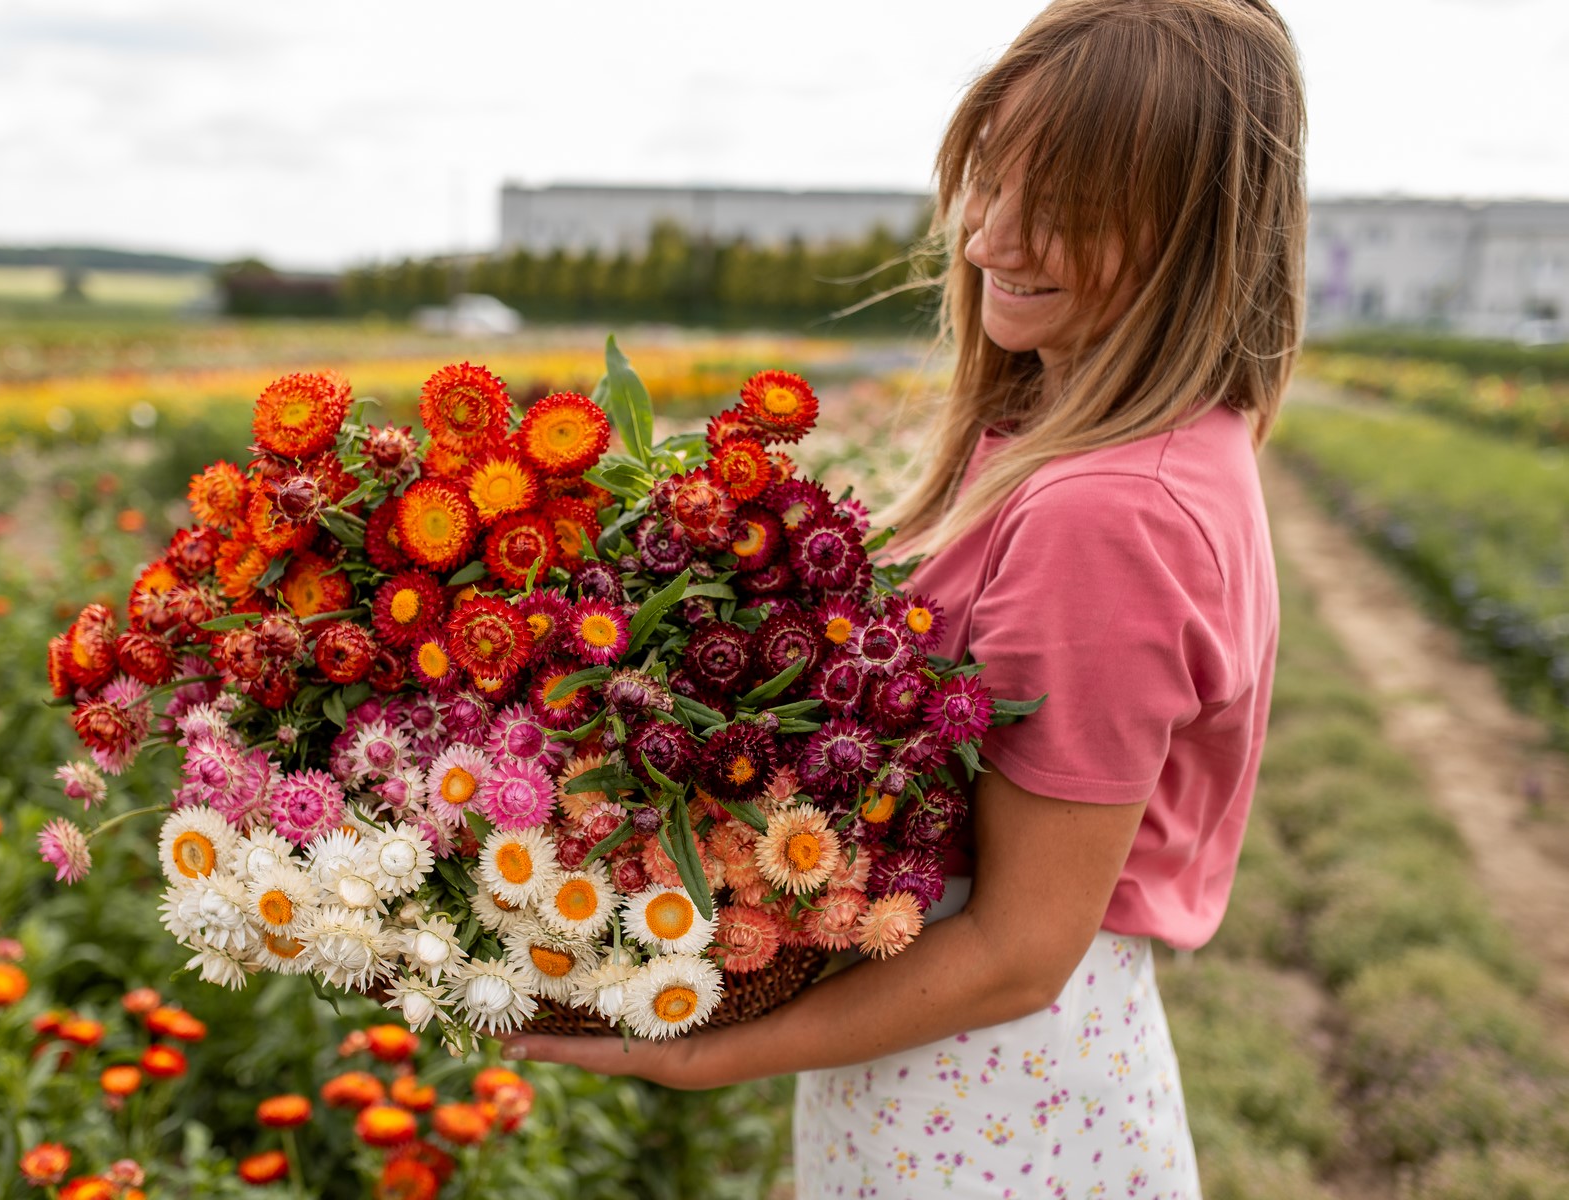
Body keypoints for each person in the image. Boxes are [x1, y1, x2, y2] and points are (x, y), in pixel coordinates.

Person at [499, 0, 1305, 1193]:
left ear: (1195, 239)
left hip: (990, 1101)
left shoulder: (1108, 513)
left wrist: (692, 1054)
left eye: (1067, 212)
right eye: (988, 180)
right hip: (972, 1075)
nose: (989, 239)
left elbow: (1017, 952)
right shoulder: (1100, 437)